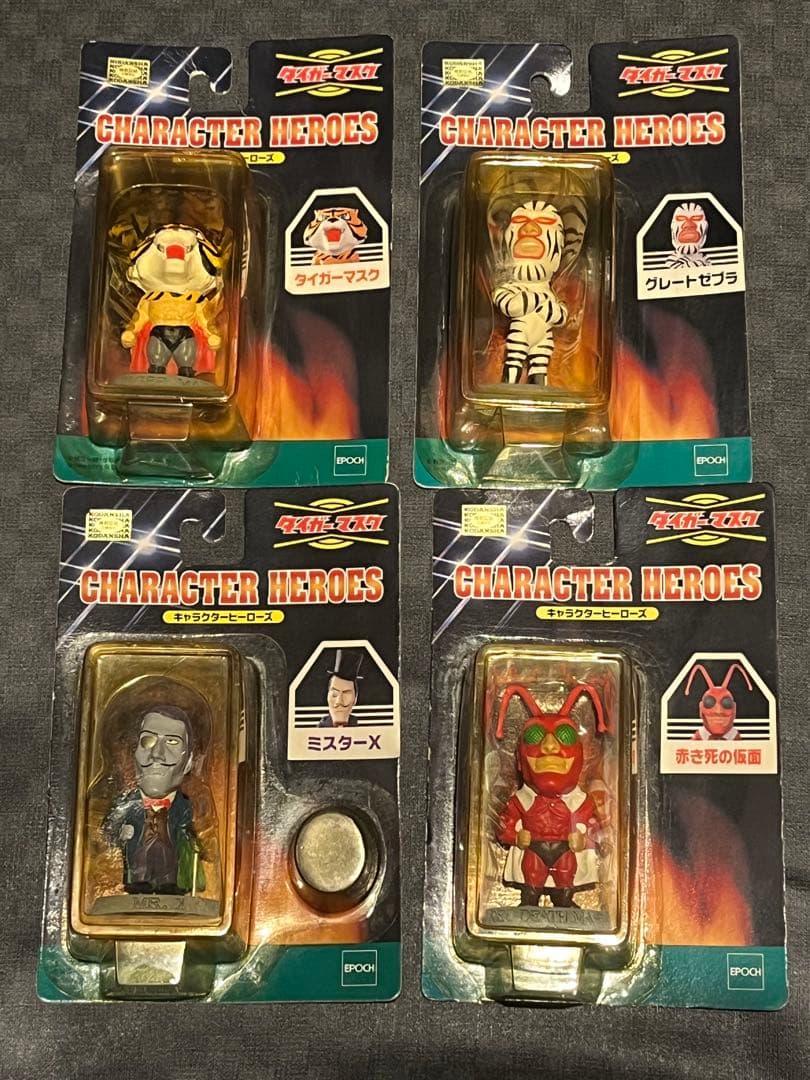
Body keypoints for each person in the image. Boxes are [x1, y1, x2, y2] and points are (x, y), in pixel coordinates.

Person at [103, 704, 204, 895]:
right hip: (137, 867)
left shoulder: (187, 805)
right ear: (134, 753)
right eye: (148, 740)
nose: (157, 754)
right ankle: (139, 885)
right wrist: (120, 834)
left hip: (171, 868)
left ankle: (168, 887)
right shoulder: (125, 804)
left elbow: (197, 834)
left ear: (189, 762)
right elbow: (105, 835)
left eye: (172, 742)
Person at [319, 649, 364, 728]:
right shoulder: (315, 732)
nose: (339, 701)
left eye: (346, 693)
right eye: (334, 694)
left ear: (355, 699)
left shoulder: (364, 731)